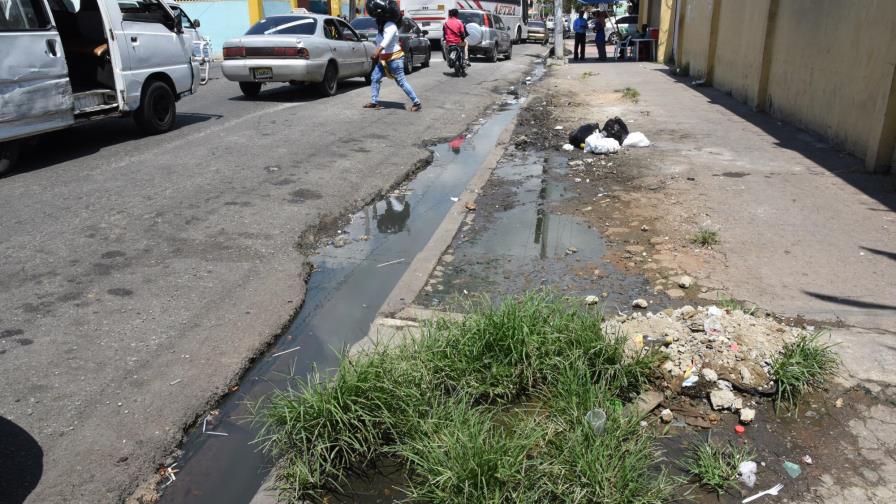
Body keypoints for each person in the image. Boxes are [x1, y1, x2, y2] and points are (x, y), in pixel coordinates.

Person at [364, 14, 422, 111]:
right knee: (375, 77)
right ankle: (374, 102)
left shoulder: (390, 25)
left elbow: (386, 40)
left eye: (377, 18)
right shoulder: (382, 28)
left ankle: (417, 103)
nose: (375, 20)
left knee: (401, 82)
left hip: (394, 59)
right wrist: (378, 55)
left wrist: (377, 51)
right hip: (383, 60)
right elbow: (380, 42)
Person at [443, 8, 468, 76]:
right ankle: (465, 60)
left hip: (449, 43)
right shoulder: (459, 22)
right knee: (465, 44)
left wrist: (447, 39)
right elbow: (462, 34)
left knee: (445, 49)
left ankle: (448, 61)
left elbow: (444, 34)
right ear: (457, 14)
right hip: (458, 42)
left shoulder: (445, 22)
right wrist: (462, 40)